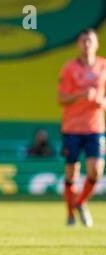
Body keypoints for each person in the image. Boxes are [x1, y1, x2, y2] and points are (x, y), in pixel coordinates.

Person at [57, 29, 106, 227]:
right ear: (78, 44)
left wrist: (101, 101)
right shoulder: (69, 69)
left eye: (90, 41)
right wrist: (81, 95)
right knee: (72, 173)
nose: (87, 45)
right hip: (72, 128)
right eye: (83, 41)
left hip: (95, 128)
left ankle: (79, 202)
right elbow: (61, 98)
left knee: (95, 171)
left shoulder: (104, 67)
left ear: (97, 44)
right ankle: (70, 214)